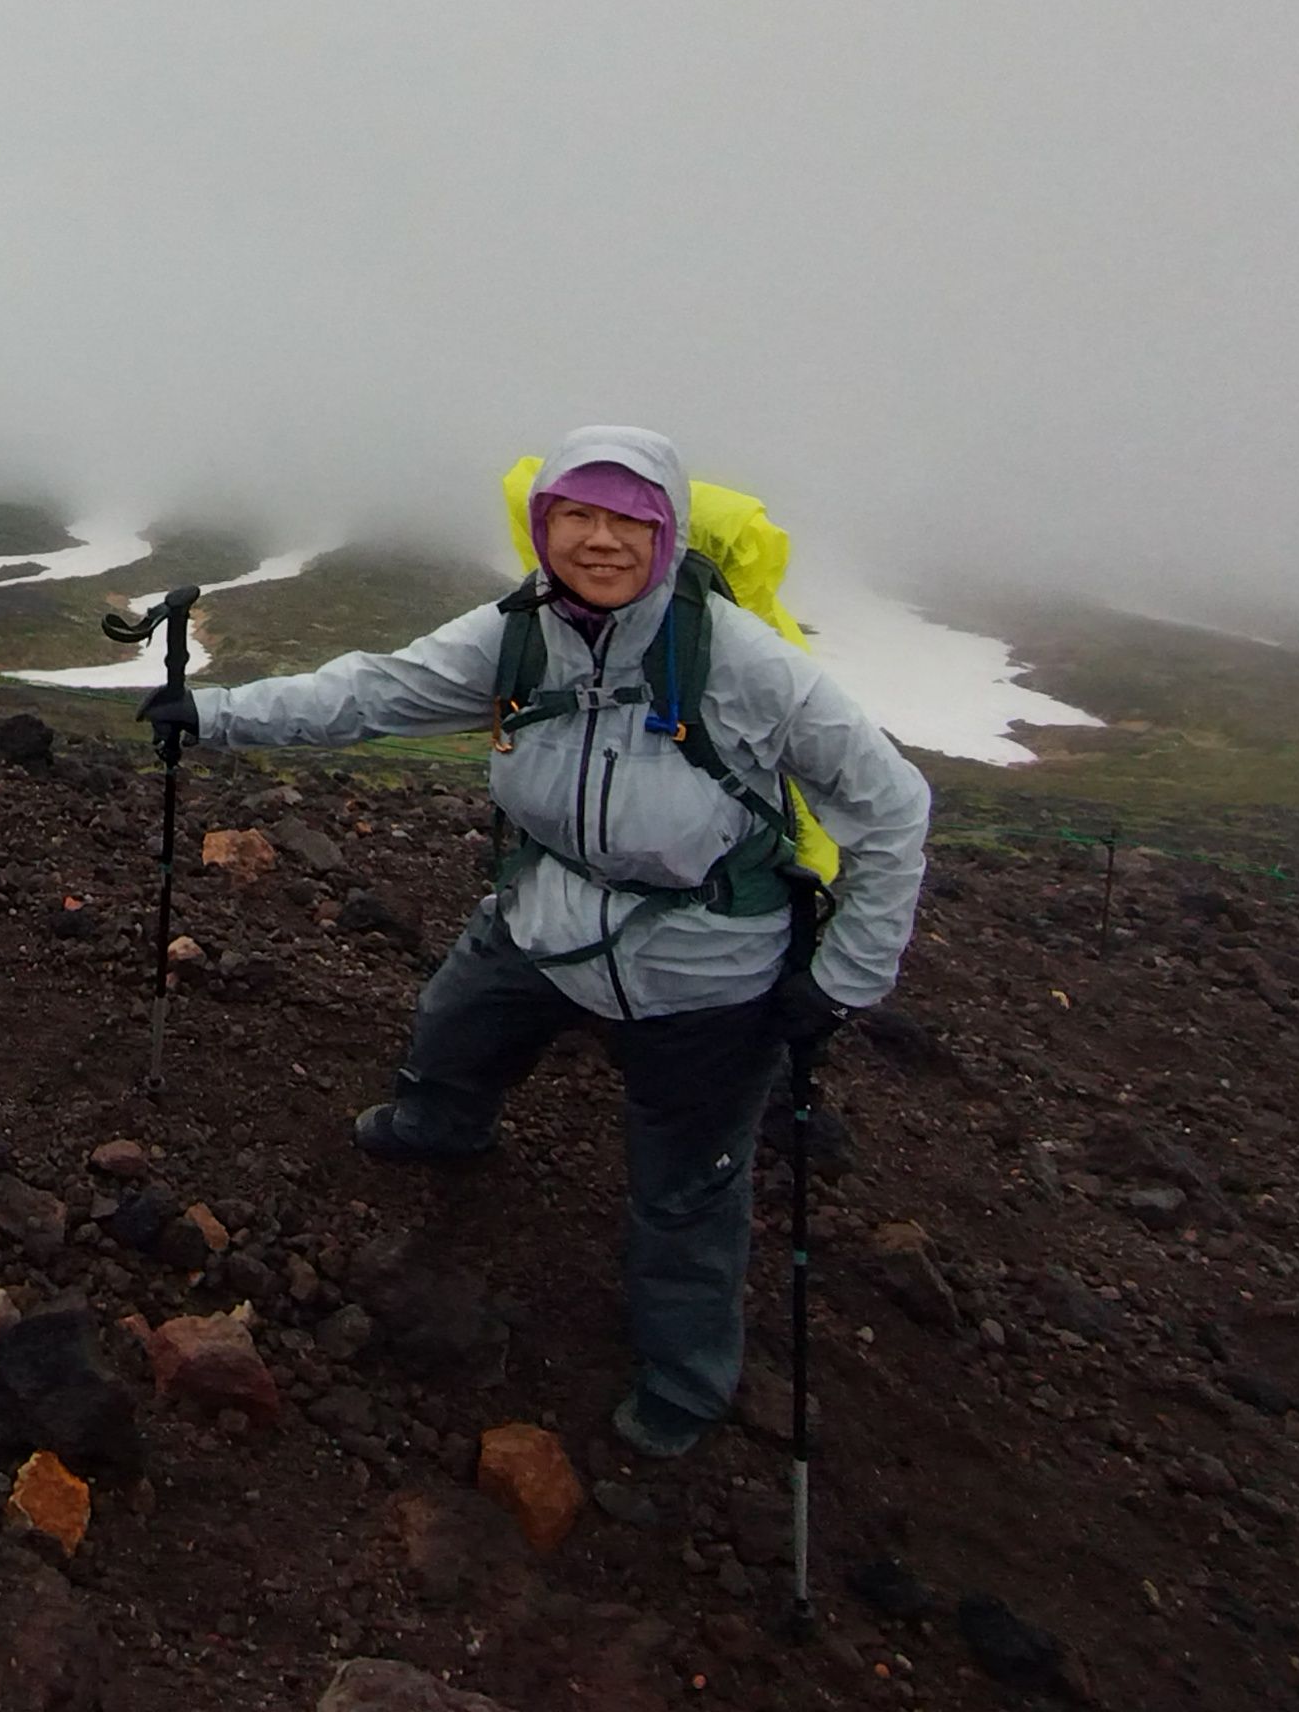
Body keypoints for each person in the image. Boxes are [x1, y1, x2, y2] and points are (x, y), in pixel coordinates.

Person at [145, 425, 931, 1458]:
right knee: (453, 1025)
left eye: (626, 522)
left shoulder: (746, 663)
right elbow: (374, 692)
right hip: (547, 916)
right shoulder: (515, 635)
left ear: (667, 532)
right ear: (541, 523)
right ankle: (441, 1125)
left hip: (706, 969)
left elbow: (891, 804)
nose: (598, 541)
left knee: (687, 1186)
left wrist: (841, 983)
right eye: (575, 516)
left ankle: (687, 1382)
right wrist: (217, 714)